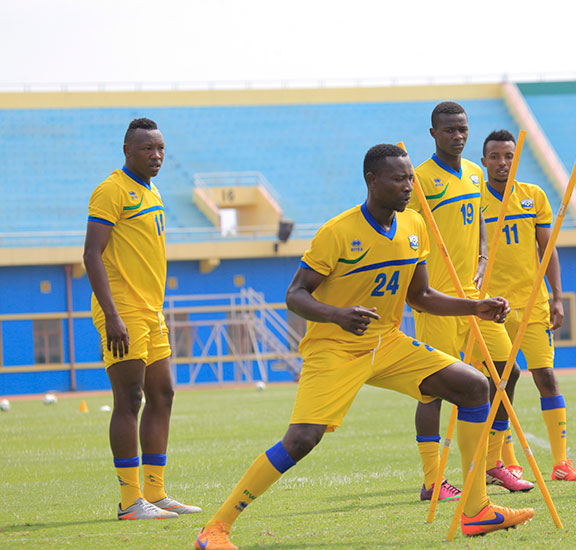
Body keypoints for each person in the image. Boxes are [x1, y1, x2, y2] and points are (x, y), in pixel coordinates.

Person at [194, 145, 535, 549]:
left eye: (410, 177)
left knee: (475, 386)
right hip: (333, 348)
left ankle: (477, 510)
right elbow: (295, 295)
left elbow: (421, 295)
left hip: (387, 342)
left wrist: (475, 307)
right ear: (372, 181)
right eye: (399, 179)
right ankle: (215, 529)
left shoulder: (414, 225)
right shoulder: (337, 232)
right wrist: (337, 314)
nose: (409, 186)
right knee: (303, 438)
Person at [407, 102, 533, 499]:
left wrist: (481, 258)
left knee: (505, 371)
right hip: (436, 301)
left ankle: (493, 462)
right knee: (433, 389)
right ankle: (433, 481)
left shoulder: (476, 174)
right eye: (448, 130)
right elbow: (404, 236)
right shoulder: (420, 180)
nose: (457, 136)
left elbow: (479, 221)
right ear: (433, 134)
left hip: (473, 297)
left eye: (462, 129)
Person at [83, 118, 201, 520]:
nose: (157, 156)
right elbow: (91, 254)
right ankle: (130, 502)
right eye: (148, 149)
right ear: (127, 151)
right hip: (123, 311)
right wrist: (112, 315)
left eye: (161, 149)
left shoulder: (152, 190)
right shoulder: (111, 190)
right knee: (130, 398)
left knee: (163, 393)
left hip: (152, 310)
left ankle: (156, 493)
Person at [479, 130, 576, 482]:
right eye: (495, 156)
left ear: (516, 158)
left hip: (532, 303)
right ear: (484, 162)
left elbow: (547, 248)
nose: (502, 162)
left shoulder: (532, 196)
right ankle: (507, 461)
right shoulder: (473, 201)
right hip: (492, 307)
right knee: (500, 384)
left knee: (546, 377)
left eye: (508, 156)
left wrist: (557, 296)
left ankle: (561, 463)